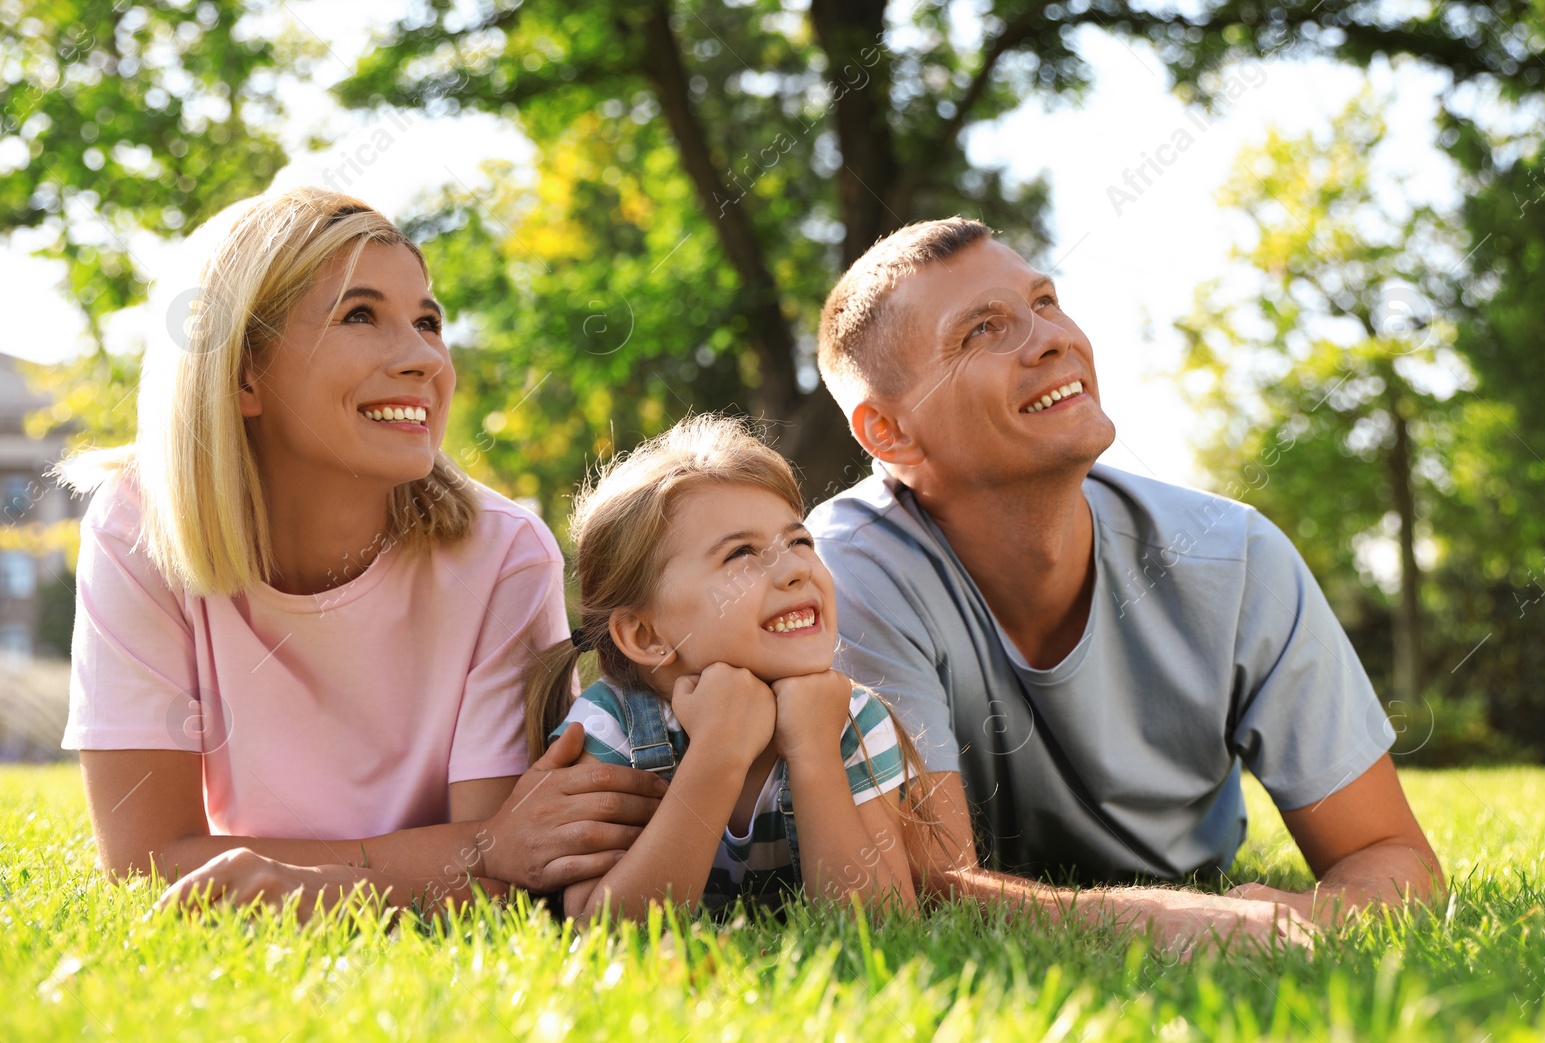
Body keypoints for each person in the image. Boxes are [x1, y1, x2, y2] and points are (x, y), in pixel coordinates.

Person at [806, 217, 1441, 944]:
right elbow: (932, 889)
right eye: (982, 330)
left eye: (1044, 302)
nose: (1051, 337)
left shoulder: (1234, 560)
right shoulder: (847, 572)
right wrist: (1183, 920)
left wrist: (1316, 915)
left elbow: (1390, 856)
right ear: (888, 433)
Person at [60, 187, 666, 919]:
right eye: (360, 314)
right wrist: (460, 855)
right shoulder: (135, 528)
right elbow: (146, 863)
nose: (422, 359)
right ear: (244, 374)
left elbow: (514, 872)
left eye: (428, 321)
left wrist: (299, 886)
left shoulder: (505, 555)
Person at [523, 415, 927, 921]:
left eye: (799, 542)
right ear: (646, 635)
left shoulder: (849, 718)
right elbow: (603, 933)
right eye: (742, 554)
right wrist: (719, 753)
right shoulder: (609, 729)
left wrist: (815, 753)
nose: (797, 568)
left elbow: (883, 928)